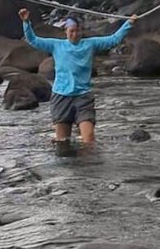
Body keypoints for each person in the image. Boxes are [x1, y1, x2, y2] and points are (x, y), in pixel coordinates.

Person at [18, 8, 136, 151]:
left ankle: (89, 169)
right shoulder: (56, 45)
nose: (75, 34)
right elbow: (33, 40)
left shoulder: (90, 44)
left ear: (82, 31)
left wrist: (129, 23)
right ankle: (69, 171)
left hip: (83, 97)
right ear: (65, 31)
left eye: (78, 31)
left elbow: (114, 39)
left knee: (89, 138)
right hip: (61, 97)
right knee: (62, 142)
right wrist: (26, 22)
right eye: (71, 31)